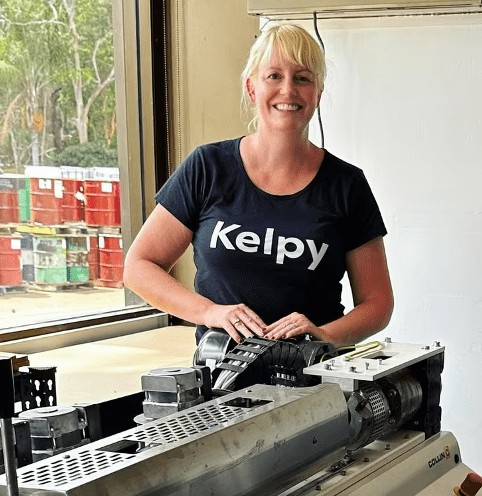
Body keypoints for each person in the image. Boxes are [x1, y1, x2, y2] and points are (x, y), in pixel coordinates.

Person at [122, 23, 393, 347]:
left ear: (318, 94)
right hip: (219, 381)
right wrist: (209, 312)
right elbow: (139, 267)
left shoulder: (347, 185)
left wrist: (324, 336)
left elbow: (378, 303)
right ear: (252, 89)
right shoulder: (208, 167)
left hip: (314, 381)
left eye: (302, 77)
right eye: (274, 76)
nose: (288, 90)